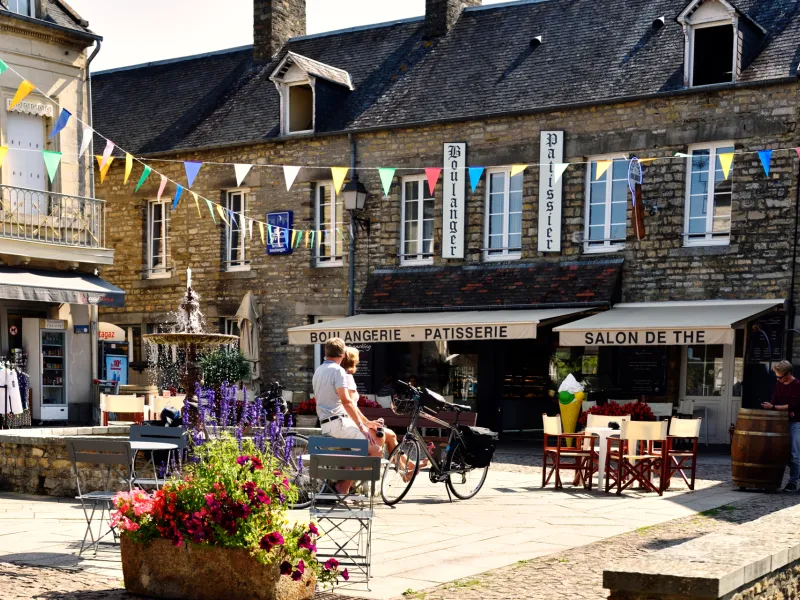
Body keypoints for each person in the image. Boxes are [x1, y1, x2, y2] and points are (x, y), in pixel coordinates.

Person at [312, 338, 383, 495]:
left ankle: (347, 476)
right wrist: (362, 426)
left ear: (326, 352)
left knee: (369, 446)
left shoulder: (319, 370)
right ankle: (343, 487)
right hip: (338, 423)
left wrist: (366, 423)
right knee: (376, 450)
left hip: (327, 423)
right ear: (343, 354)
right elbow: (346, 401)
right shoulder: (338, 371)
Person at [341, 347, 399, 455]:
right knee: (379, 440)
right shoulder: (347, 378)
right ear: (352, 361)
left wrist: (366, 422)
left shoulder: (340, 376)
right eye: (357, 360)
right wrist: (365, 423)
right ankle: (376, 461)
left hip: (347, 422)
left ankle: (407, 464)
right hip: (351, 423)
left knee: (391, 435)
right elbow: (351, 405)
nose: (358, 362)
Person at [761, 360, 800, 492]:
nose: (778, 379)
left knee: (794, 453)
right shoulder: (779, 384)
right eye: (777, 377)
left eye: (780, 377)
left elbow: (794, 405)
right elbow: (775, 400)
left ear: (788, 374)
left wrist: (774, 407)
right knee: (782, 452)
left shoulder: (797, 385)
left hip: (795, 422)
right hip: (780, 422)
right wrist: (774, 407)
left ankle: (792, 482)